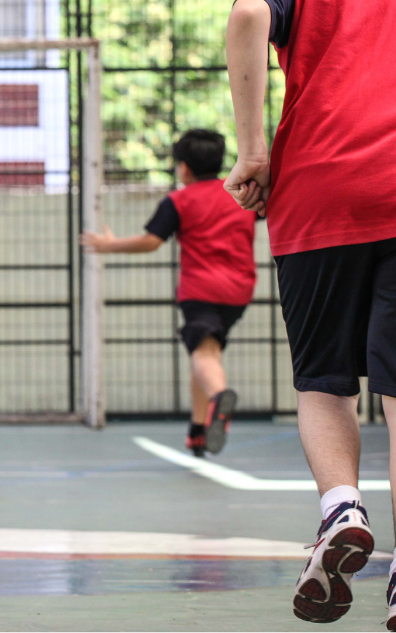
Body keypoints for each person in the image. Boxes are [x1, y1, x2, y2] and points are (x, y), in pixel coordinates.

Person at [225, 0, 394, 625]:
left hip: (319, 186)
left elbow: (248, 14)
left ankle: (342, 509)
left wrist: (253, 151)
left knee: (323, 382)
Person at [81, 130, 254, 458]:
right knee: (206, 352)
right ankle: (198, 430)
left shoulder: (179, 200)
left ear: (184, 167)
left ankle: (219, 397)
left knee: (203, 354)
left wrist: (109, 245)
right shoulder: (239, 194)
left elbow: (151, 241)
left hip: (200, 289)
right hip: (240, 290)